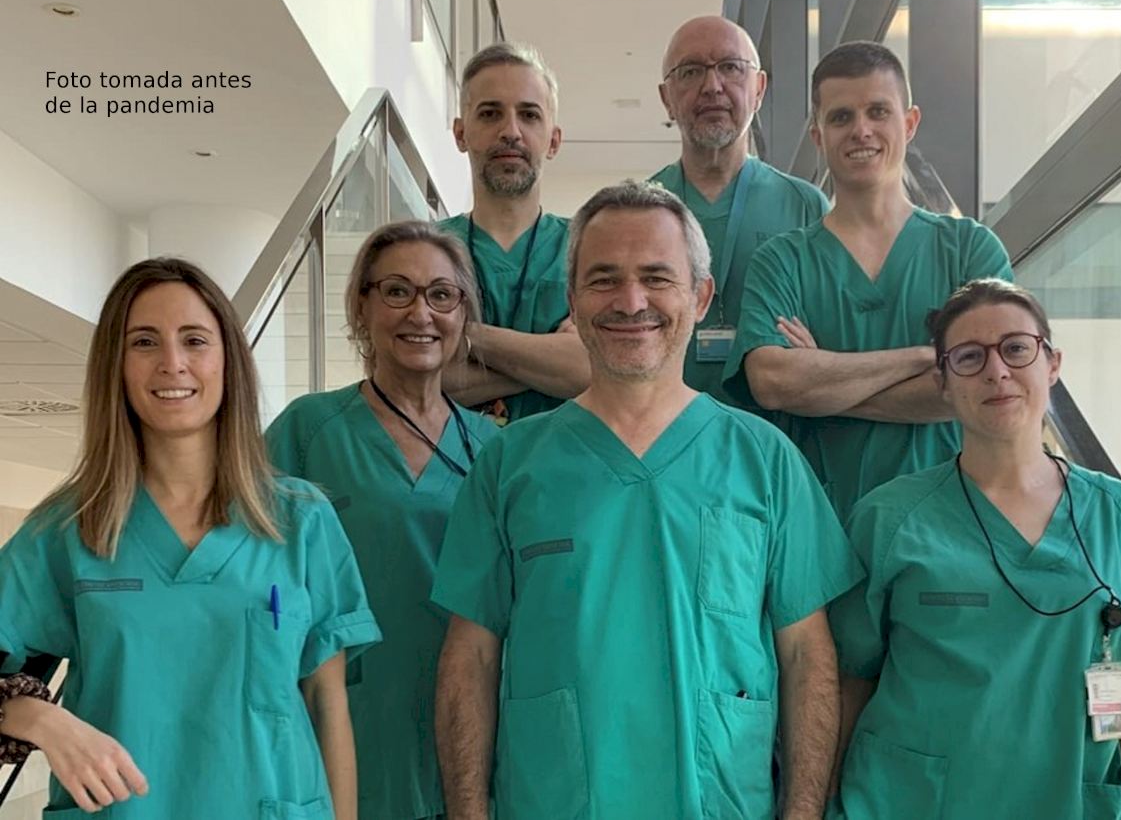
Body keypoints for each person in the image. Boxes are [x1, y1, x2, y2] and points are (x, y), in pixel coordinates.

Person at [431, 181, 862, 820]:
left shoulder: (765, 461)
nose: (631, 302)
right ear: (572, 299)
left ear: (701, 296)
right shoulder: (510, 464)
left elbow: (807, 656)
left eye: (657, 278)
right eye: (604, 279)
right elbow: (470, 657)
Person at [0, 259, 380, 818]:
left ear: (228, 361)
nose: (172, 363)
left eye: (195, 340)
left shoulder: (300, 519)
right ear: (115, 365)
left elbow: (328, 704)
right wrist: (39, 717)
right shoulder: (68, 528)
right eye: (144, 342)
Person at [827, 279, 1121, 820]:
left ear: (1052, 364)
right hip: (914, 803)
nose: (997, 371)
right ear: (943, 382)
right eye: (970, 357)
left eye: (1016, 348)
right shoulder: (889, 519)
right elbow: (849, 683)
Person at [266, 222, 499, 820]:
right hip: (347, 733)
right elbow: (248, 577)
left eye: (441, 295)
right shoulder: (308, 430)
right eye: (397, 291)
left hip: (468, 736)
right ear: (361, 307)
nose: (421, 313)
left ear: (463, 314)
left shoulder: (495, 449)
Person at [724, 41, 1013, 521]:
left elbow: (985, 382)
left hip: (951, 527)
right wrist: (924, 357)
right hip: (822, 526)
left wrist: (821, 386)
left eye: (878, 111)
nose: (861, 130)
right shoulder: (783, 260)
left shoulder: (969, 250)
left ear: (909, 123)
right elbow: (773, 382)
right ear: (818, 135)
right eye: (841, 117)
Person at [652, 15, 829, 404]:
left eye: (731, 68)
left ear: (759, 88)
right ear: (667, 98)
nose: (712, 86)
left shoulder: (805, 206)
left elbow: (830, 334)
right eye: (691, 71)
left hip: (776, 430)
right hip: (661, 430)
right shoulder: (639, 208)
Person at [439, 42, 589, 424]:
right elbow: (415, 375)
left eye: (529, 115)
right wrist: (553, 365)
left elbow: (592, 367)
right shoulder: (425, 251)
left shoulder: (587, 246)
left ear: (553, 140)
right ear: (460, 133)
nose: (510, 131)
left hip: (564, 456)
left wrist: (465, 337)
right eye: (490, 114)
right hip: (449, 459)